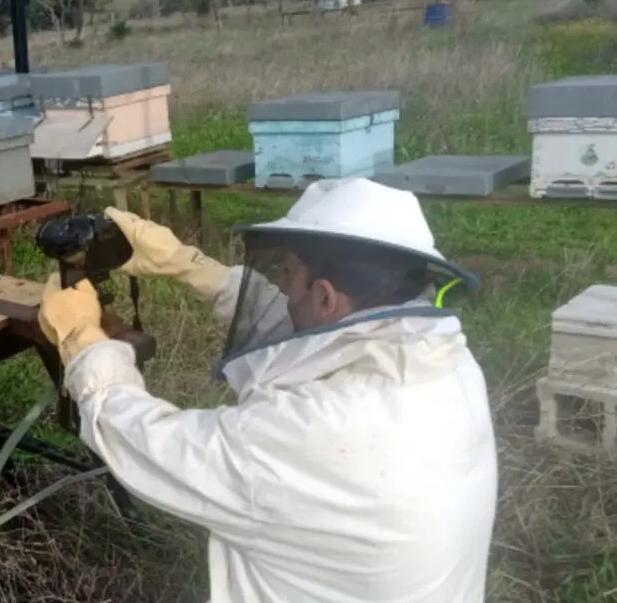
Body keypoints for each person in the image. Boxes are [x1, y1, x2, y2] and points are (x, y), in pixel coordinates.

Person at [37, 177, 498, 603]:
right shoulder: (446, 362)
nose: (281, 285)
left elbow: (147, 443)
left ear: (324, 295)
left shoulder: (309, 432)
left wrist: (85, 346)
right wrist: (189, 266)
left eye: (288, 274)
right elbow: (318, 330)